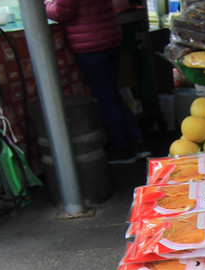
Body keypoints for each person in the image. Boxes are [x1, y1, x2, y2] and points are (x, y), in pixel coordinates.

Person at [44, 0, 150, 165]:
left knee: (106, 99)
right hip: (111, 38)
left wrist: (47, 3)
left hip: (90, 45)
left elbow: (61, 12)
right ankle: (139, 143)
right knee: (114, 95)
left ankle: (123, 149)